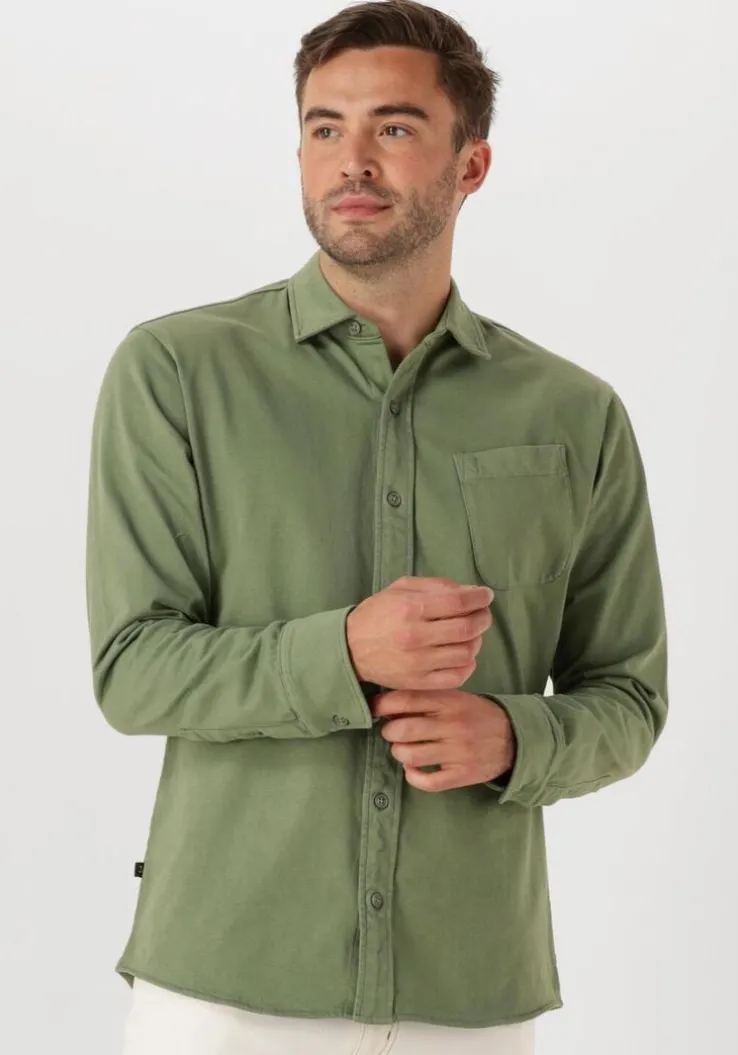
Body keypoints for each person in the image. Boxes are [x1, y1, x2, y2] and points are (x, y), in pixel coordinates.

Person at [85, 2, 669, 1053]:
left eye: (394, 126)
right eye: (325, 127)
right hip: (226, 995)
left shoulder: (574, 414)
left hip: (471, 995)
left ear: (471, 163)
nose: (352, 160)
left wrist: (514, 737)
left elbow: (629, 694)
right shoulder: (176, 372)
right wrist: (346, 650)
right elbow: (133, 668)